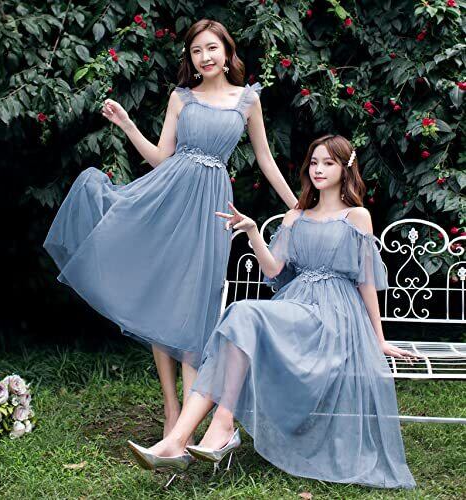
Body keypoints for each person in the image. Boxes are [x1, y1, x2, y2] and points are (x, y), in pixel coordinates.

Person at [43, 19, 297, 442]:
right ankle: (171, 409)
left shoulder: (247, 100)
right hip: (168, 198)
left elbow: (266, 160)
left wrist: (298, 207)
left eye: (212, 48)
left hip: (212, 208)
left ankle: (185, 424)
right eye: (196, 51)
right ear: (190, 59)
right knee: (165, 297)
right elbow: (163, 157)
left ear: (227, 52)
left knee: (197, 303)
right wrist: (128, 125)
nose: (205, 57)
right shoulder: (181, 97)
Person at [128, 134, 417, 489]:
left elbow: (366, 281)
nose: (319, 170)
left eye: (328, 163)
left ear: (345, 169)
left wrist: (379, 339)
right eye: (314, 163)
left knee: (242, 316)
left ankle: (217, 426)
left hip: (334, 317)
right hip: (296, 309)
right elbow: (274, 269)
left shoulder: (356, 216)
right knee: (240, 317)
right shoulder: (296, 216)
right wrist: (252, 231)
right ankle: (183, 438)